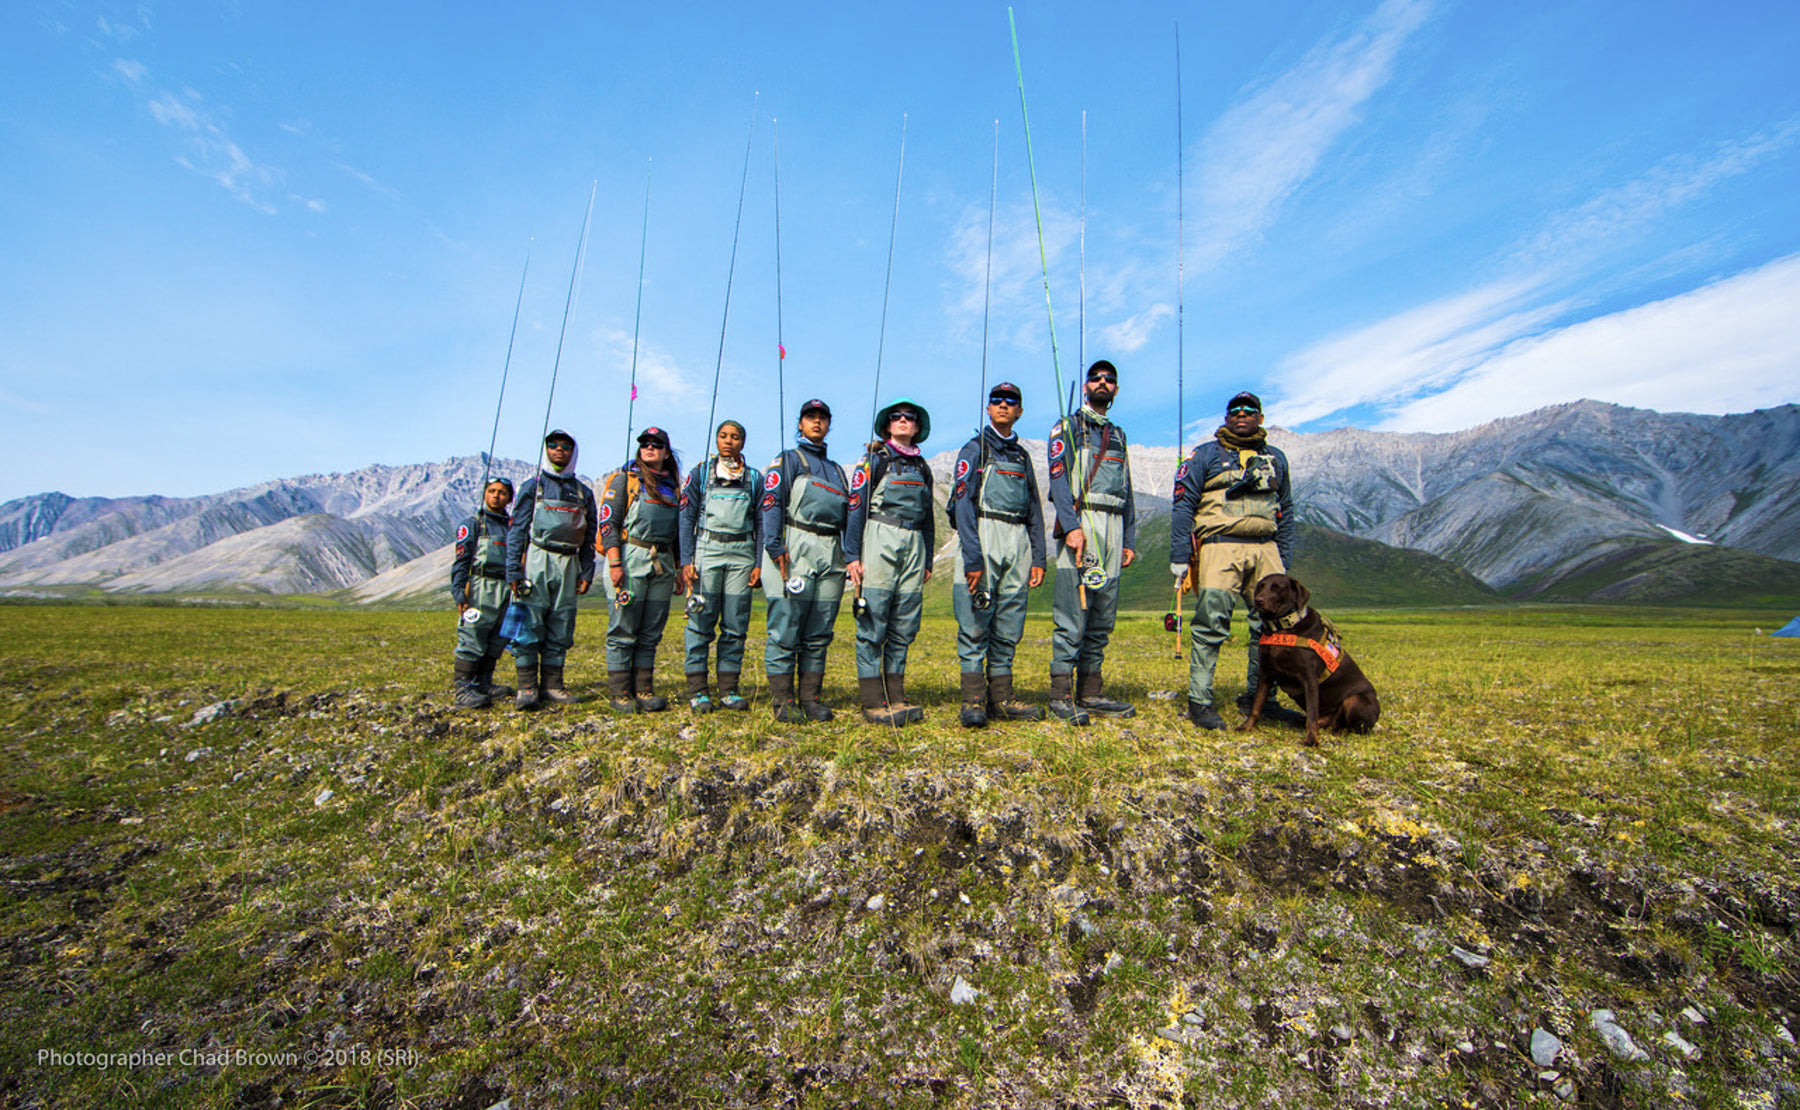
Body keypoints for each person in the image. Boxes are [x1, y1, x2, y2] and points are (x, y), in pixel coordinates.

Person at [1170, 391, 1306, 730]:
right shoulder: (1204, 455)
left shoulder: (1277, 458)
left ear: (1261, 417)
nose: (1241, 414)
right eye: (1235, 410)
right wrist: (1179, 556)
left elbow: (1286, 509)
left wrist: (1282, 556)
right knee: (1210, 622)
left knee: (1273, 626)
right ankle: (1200, 701)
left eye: (1250, 410)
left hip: (1266, 548)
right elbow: (1183, 505)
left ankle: (1261, 700)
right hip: (1220, 545)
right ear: (1227, 417)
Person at [946, 382, 1047, 727]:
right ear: (988, 409)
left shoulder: (1022, 457)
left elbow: (1034, 508)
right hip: (984, 534)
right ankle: (973, 700)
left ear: (1019, 411)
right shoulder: (974, 449)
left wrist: (1039, 557)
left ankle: (1002, 698)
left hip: (1017, 540)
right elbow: (962, 505)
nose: (1003, 405)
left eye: (1011, 401)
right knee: (976, 621)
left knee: (1009, 621)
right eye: (997, 401)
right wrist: (973, 558)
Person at [1045, 359, 1138, 723]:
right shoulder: (1066, 428)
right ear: (1085, 386)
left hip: (1114, 526)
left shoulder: (1118, 435)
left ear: (1115, 389)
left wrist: (1129, 538)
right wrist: (1071, 526)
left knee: (1102, 613)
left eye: (1110, 379)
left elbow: (1126, 489)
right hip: (1083, 523)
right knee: (1074, 611)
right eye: (1096, 378)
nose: (1103, 382)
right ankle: (1060, 695)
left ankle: (1091, 692)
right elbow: (1057, 481)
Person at [845, 398, 936, 726]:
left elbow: (927, 519)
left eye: (909, 417)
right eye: (896, 417)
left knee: (905, 621)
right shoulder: (873, 460)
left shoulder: (923, 467)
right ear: (887, 425)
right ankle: (872, 700)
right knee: (873, 619)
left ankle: (895, 696)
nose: (902, 421)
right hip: (879, 537)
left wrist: (927, 556)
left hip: (913, 546)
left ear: (917, 426)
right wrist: (852, 556)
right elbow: (856, 508)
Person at [759, 399, 851, 723]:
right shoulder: (787, 460)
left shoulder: (839, 471)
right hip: (793, 547)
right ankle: (783, 702)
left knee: (819, 631)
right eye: (810, 417)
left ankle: (811, 699)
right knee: (786, 627)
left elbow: (848, 518)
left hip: (831, 552)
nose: (816, 422)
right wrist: (774, 546)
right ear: (800, 423)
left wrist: (849, 556)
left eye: (822, 418)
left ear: (829, 425)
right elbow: (770, 503)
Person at [505, 430, 596, 709]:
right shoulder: (532, 487)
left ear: (573, 452)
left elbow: (590, 536)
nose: (559, 450)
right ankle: (527, 687)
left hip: (569, 562)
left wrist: (586, 571)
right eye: (553, 445)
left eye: (566, 447)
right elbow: (517, 530)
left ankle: (554, 686)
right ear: (546, 450)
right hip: (537, 558)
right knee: (528, 619)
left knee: (562, 622)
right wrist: (513, 571)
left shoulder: (583, 492)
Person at [678, 420, 763, 712]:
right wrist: (686, 560)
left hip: (742, 555)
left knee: (735, 624)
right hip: (707, 552)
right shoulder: (700, 474)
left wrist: (759, 562)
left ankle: (729, 690)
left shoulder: (754, 478)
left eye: (736, 437)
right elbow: (685, 518)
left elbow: (762, 523)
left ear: (743, 442)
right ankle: (698, 691)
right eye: (724, 436)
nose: (729, 441)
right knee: (700, 622)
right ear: (716, 440)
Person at [599, 426, 684, 713]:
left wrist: (680, 568)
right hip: (630, 557)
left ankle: (644, 689)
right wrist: (614, 562)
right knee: (624, 627)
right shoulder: (625, 480)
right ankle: (620, 692)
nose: (650, 448)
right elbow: (608, 523)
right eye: (645, 444)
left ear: (666, 452)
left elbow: (678, 532)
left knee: (651, 630)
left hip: (663, 563)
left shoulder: (673, 485)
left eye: (657, 445)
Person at [449, 477, 515, 709]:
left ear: (510, 498)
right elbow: (461, 560)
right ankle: (463, 689)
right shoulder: (472, 524)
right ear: (484, 494)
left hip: (505, 587)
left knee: (497, 637)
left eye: (502, 492)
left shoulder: (513, 527)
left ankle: (484, 683)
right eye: (492, 491)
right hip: (480, 585)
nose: (497, 496)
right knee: (473, 634)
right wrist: (459, 590)